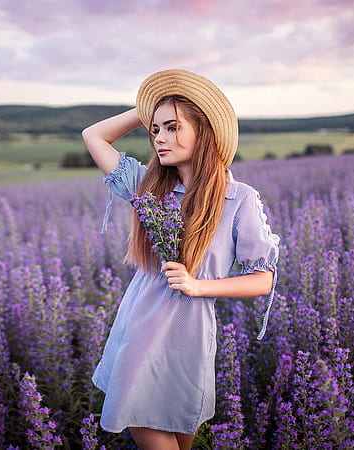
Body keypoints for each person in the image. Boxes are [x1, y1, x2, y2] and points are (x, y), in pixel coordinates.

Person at [82, 69, 280, 450]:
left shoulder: (238, 199)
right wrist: (148, 109)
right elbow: (94, 135)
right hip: (141, 329)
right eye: (154, 130)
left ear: (204, 131)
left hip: (191, 339)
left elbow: (263, 279)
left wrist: (198, 285)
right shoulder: (148, 187)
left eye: (172, 127)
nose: (159, 138)